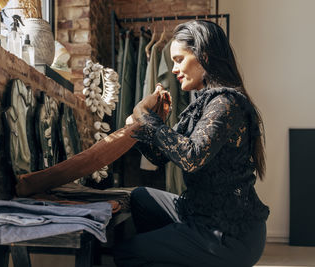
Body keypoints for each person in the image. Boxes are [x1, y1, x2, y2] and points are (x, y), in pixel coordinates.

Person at [112, 20, 270, 267]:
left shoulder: (226, 103)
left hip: (229, 234)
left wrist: (146, 116)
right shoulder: (202, 105)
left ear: (203, 56)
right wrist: (145, 126)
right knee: (141, 197)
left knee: (128, 251)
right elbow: (160, 157)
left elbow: (191, 157)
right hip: (201, 212)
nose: (174, 69)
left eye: (178, 59)